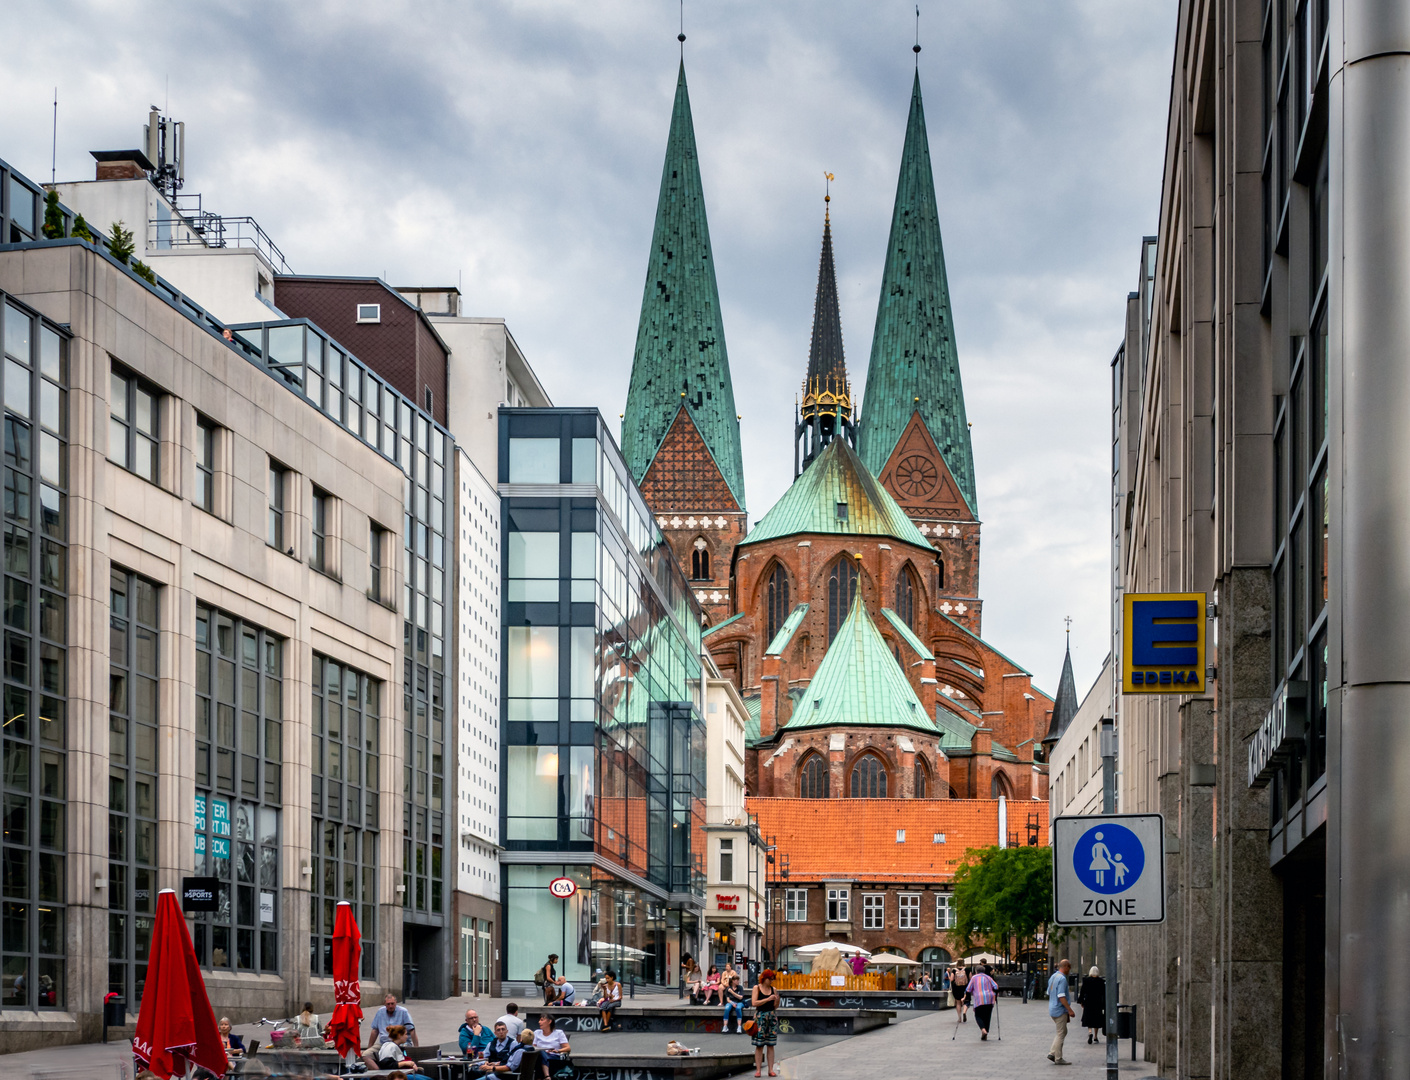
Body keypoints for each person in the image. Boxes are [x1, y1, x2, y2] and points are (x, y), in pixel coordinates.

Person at [750, 968, 781, 1077]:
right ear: (765, 978)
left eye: (773, 979)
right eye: (770, 979)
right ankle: (758, 1070)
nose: (772, 981)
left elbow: (775, 1007)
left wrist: (777, 1001)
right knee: (759, 1045)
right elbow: (754, 1003)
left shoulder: (774, 989)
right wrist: (768, 999)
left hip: (771, 1017)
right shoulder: (756, 988)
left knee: (771, 1044)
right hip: (760, 1017)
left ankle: (770, 1069)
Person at [1046, 958, 1076, 1065]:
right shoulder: (1062, 979)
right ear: (1065, 967)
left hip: (1052, 1008)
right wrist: (1070, 1010)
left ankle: (1053, 1053)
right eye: (1069, 967)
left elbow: (1049, 992)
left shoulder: (1053, 977)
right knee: (1061, 1033)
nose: (1070, 970)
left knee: (1062, 1031)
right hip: (1059, 1009)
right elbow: (1061, 996)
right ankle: (1058, 1058)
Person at [967, 966, 999, 1041]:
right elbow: (996, 986)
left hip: (979, 999)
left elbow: (968, 989)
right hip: (989, 998)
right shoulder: (988, 977)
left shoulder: (974, 978)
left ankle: (983, 1030)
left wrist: (966, 996)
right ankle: (986, 1032)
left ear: (976, 971)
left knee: (978, 1015)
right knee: (987, 1016)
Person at [1078, 965, 1107, 1045]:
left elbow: (1082, 992)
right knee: (1096, 1019)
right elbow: (1103, 994)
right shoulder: (1101, 981)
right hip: (1097, 1003)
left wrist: (1081, 1001)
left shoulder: (1086, 981)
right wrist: (1104, 1004)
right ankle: (1095, 1036)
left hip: (1088, 1002)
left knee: (1088, 1017)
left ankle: (1090, 1032)